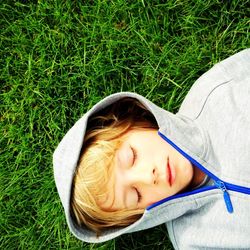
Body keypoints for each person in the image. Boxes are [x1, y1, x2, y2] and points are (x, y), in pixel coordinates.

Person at [53, 49, 250, 249]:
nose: (149, 177)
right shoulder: (195, 242)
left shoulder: (216, 92)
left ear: (135, 121)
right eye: (136, 195)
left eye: (132, 157)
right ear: (140, 218)